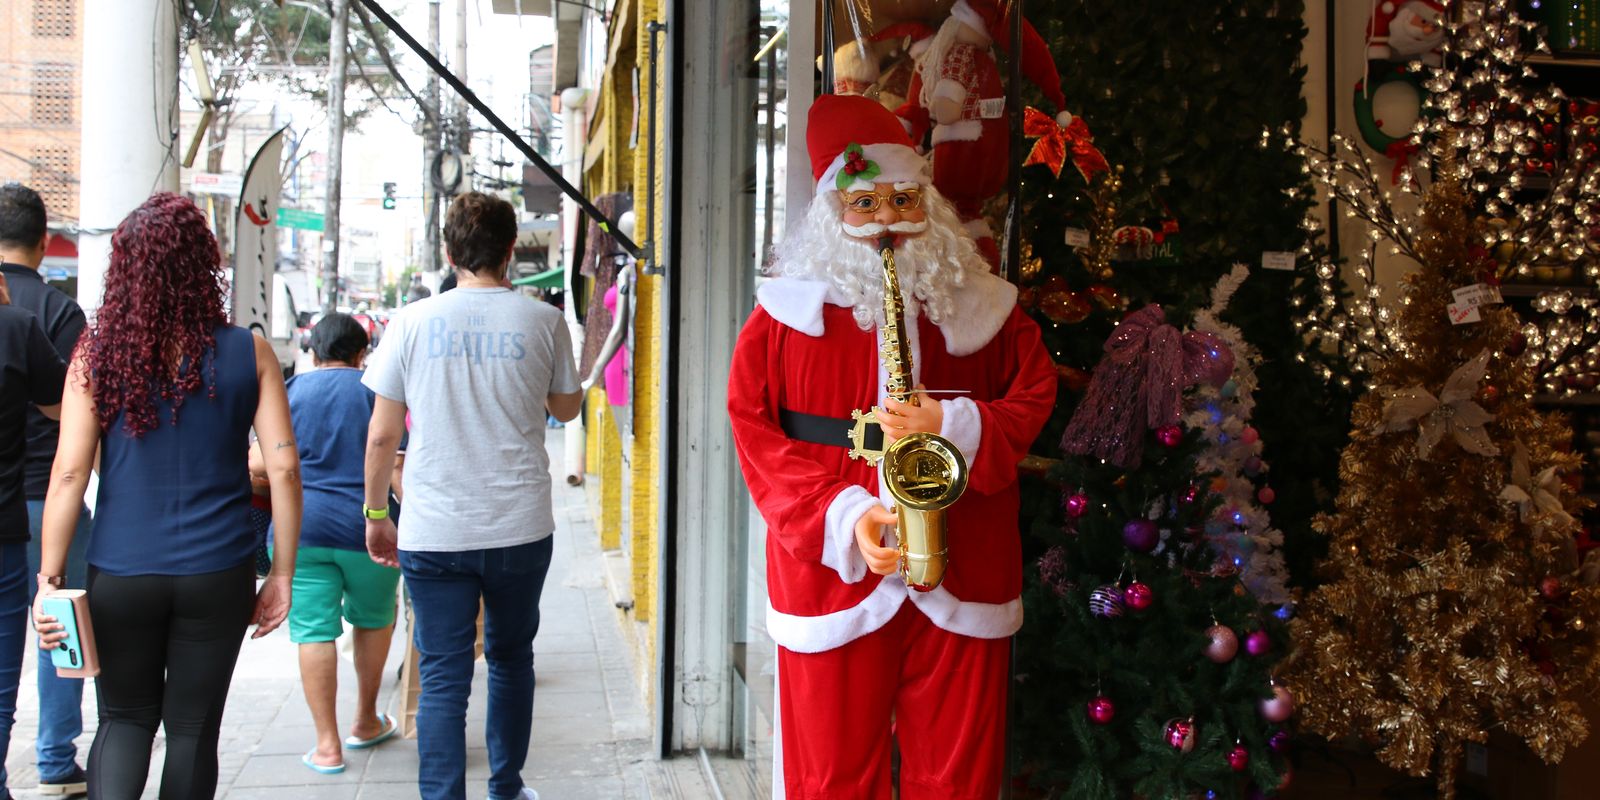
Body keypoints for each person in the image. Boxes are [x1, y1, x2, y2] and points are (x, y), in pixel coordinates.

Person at [726, 94, 1057, 799]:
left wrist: (953, 429)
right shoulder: (781, 316)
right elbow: (755, 431)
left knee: (959, 778)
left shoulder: (985, 305)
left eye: (902, 199)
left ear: (927, 202)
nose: (886, 221)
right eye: (863, 204)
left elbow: (1033, 394)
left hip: (963, 560)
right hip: (834, 572)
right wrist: (840, 516)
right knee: (831, 776)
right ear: (829, 213)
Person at [31, 193, 302, 800]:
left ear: (123, 267)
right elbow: (284, 471)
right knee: (192, 732)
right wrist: (282, 573)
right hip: (218, 572)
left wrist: (49, 580)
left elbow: (70, 475)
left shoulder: (96, 354)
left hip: (122, 569)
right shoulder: (248, 351)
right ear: (203, 265)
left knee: (123, 721)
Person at [361, 191, 582, 800]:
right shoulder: (543, 320)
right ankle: (506, 788)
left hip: (433, 528)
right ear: (512, 250)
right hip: (518, 526)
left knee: (442, 677)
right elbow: (567, 406)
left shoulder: (409, 323)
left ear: (448, 251)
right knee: (511, 661)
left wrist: (377, 512)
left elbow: (382, 435)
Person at [274, 313, 402, 775]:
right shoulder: (376, 391)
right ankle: (365, 720)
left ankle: (327, 746)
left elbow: (258, 459)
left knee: (313, 631)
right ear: (362, 352)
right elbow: (397, 461)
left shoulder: (290, 392)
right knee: (373, 620)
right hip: (368, 530)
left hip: (301, 531)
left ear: (313, 351)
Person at [0, 183, 88, 797]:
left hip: (10, 507)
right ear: (41, 238)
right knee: (62, 619)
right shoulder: (58, 312)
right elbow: (78, 410)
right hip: (50, 495)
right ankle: (56, 759)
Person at [0, 271, 66, 800]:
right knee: (4, 684)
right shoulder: (17, 325)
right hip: (9, 526)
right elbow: (63, 408)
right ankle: (53, 760)